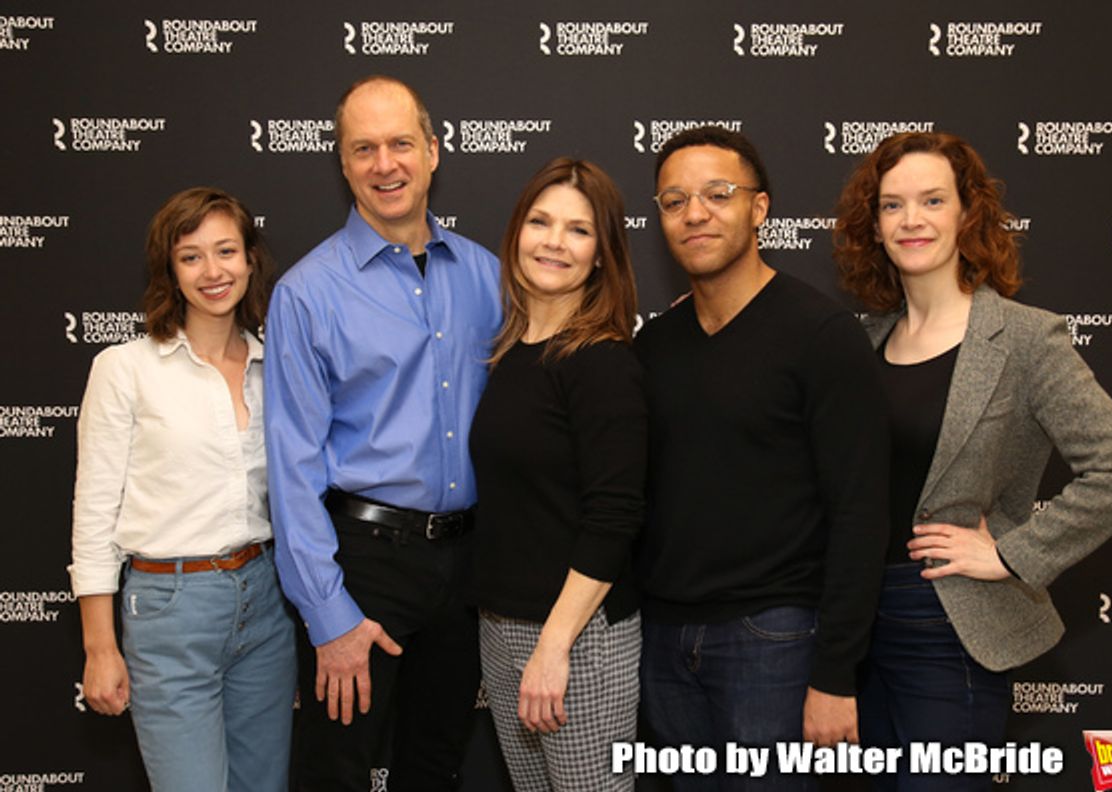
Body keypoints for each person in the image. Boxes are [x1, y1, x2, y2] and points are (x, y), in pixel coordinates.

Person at [832, 130, 1112, 791]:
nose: (912, 219)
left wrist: (1011, 553)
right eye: (892, 205)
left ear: (967, 214)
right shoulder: (860, 342)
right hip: (852, 626)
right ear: (874, 225)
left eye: (932, 200)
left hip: (946, 622)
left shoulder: (1025, 338)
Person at [263, 75, 501, 791]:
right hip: (362, 565)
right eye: (363, 148)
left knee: (436, 766)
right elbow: (292, 468)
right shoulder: (307, 293)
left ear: (433, 151)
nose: (385, 164)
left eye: (400, 143)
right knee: (336, 773)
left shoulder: (489, 276)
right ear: (343, 163)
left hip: (467, 566)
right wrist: (329, 613)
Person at [635, 125, 889, 790]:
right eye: (674, 201)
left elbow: (860, 512)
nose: (695, 213)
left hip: (773, 640)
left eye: (718, 194)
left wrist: (835, 673)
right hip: (663, 641)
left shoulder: (821, 335)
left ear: (759, 208)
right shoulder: (653, 347)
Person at [70, 187, 294, 792]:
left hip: (266, 601)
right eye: (191, 257)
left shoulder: (277, 367)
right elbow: (93, 515)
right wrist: (100, 647)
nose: (212, 271)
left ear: (250, 259)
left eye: (226, 251)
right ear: (169, 270)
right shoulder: (125, 368)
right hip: (169, 609)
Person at [468, 157, 645, 791]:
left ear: (601, 255)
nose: (554, 242)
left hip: (578, 640)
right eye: (540, 222)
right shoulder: (511, 352)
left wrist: (554, 647)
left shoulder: (600, 361)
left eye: (579, 230)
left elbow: (614, 516)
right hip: (504, 629)